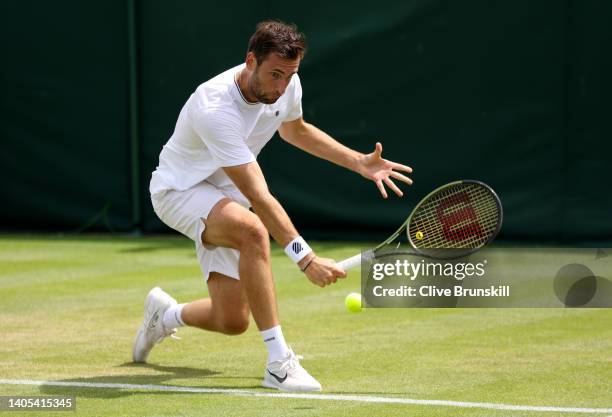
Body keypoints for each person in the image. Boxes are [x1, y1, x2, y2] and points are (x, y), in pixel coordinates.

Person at [132, 20, 413, 392]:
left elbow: (295, 130)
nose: (281, 87)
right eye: (275, 75)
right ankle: (280, 364)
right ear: (251, 60)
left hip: (224, 194)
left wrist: (358, 161)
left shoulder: (287, 84)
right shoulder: (215, 108)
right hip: (179, 190)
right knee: (252, 231)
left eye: (289, 75)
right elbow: (260, 197)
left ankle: (164, 315)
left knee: (231, 319)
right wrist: (306, 259)